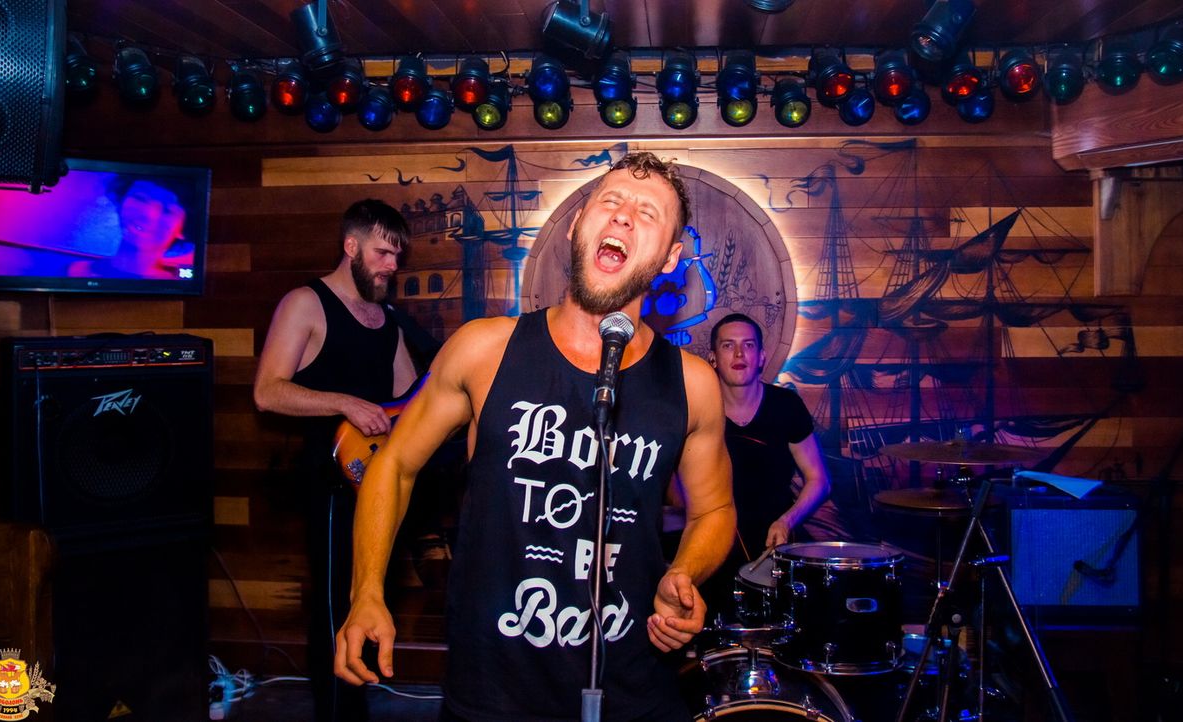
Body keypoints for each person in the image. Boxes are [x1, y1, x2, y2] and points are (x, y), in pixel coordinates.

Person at [334, 152, 736, 721]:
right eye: (610, 201)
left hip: (634, 689)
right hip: (493, 692)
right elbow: (394, 465)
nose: (623, 216)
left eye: (647, 213)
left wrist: (684, 572)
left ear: (671, 257)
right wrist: (367, 592)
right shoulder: (485, 349)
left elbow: (715, 508)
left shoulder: (692, 384)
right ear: (577, 226)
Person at [254, 199, 440, 722]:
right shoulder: (305, 303)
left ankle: (354, 707)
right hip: (329, 480)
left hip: (377, 481)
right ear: (351, 246)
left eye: (398, 256)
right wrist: (345, 403)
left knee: (372, 596)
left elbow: (408, 400)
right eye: (383, 253)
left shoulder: (388, 318)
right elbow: (267, 392)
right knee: (337, 605)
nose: (392, 266)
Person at [696, 312, 831, 623]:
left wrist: (787, 520)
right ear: (713, 358)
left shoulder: (786, 406)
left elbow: (819, 480)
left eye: (748, 345)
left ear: (761, 356)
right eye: (728, 345)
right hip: (713, 542)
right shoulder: (698, 410)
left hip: (776, 542)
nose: (739, 354)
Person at [67, 180, 188, 279]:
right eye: (140, 198)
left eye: (167, 210)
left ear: (184, 227)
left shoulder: (180, 289)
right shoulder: (73, 273)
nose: (147, 213)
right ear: (120, 203)